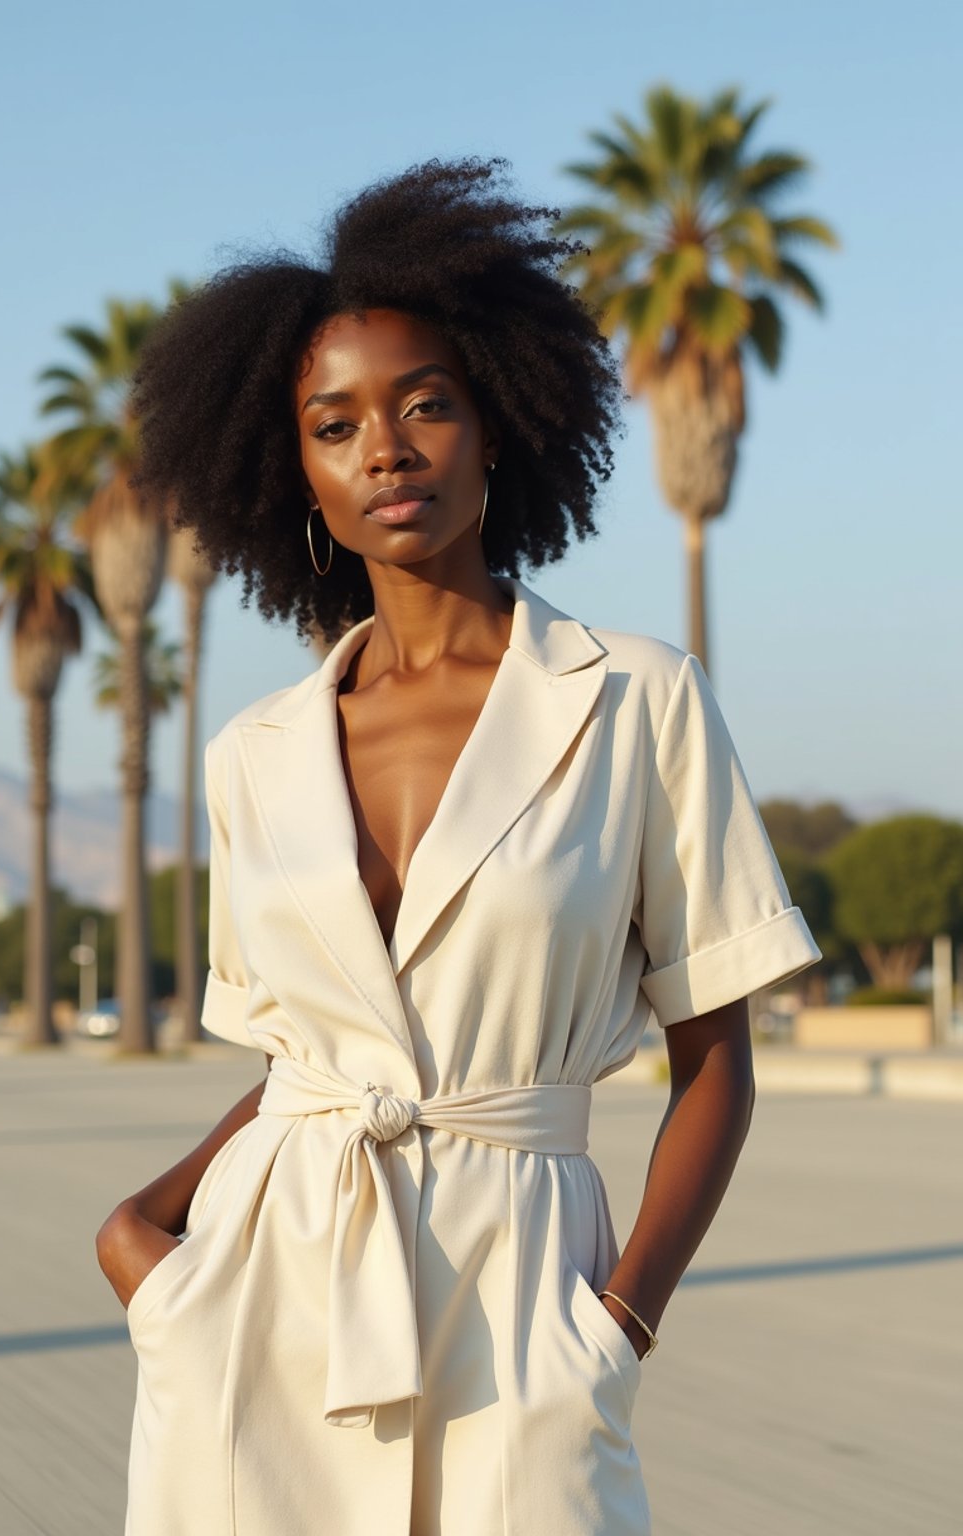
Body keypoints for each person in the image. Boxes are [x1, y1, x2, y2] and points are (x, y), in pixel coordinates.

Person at [96, 156, 821, 1536]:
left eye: (427, 402)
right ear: (295, 473)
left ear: (499, 425)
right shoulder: (252, 753)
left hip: (522, 1301)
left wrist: (616, 1330)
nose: (387, 447)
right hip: (267, 1298)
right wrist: (144, 1236)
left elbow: (715, 1062)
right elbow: (300, 1059)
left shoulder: (636, 699)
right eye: (335, 423)